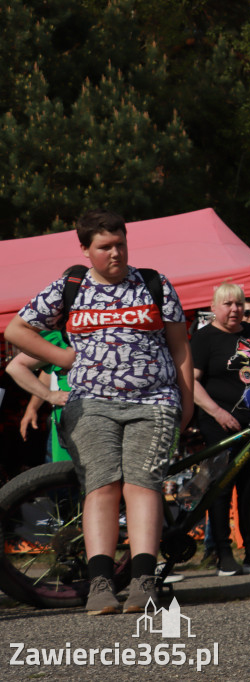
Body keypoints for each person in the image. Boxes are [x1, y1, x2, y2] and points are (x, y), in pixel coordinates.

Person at [5, 209, 194, 615]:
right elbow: (16, 330)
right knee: (102, 485)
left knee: (143, 485)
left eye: (121, 244)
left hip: (155, 400)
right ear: (86, 249)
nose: (116, 253)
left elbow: (179, 346)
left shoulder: (154, 283)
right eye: (105, 247)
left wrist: (187, 399)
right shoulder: (69, 286)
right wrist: (61, 356)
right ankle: (101, 584)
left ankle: (144, 582)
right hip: (90, 402)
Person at [191, 282, 250, 576]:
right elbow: (191, 382)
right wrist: (216, 412)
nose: (234, 309)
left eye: (239, 304)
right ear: (214, 308)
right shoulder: (204, 338)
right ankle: (222, 553)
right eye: (228, 304)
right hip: (219, 424)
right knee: (220, 488)